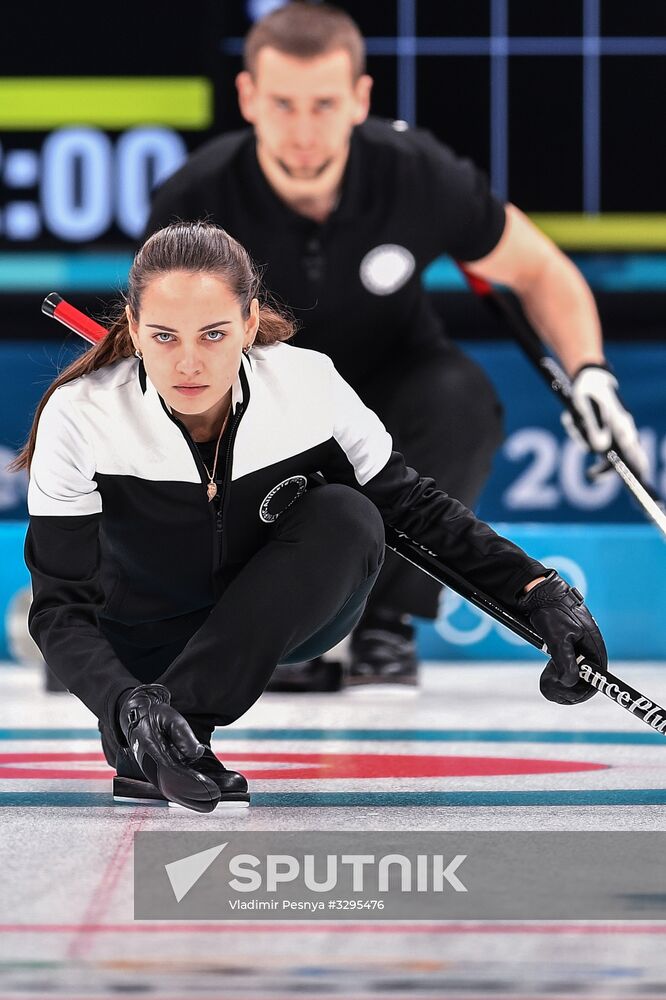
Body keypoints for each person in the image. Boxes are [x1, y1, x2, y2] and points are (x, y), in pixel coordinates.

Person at [10, 221, 607, 813]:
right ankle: (159, 729)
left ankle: (181, 722)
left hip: (284, 618)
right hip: (143, 635)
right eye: (165, 337)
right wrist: (125, 706)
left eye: (213, 334)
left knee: (350, 514)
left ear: (249, 326)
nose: (188, 363)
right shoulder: (80, 416)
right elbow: (61, 609)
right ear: (134, 331)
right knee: (137, 701)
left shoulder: (307, 385)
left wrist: (537, 590)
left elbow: (414, 508)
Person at [144, 1, 647, 693]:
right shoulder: (194, 198)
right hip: (262, 408)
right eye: (283, 103)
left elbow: (538, 270)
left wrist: (591, 376)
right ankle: (290, 620)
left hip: (393, 388)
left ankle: (386, 624)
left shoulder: (418, 173)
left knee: (462, 397)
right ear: (249, 97)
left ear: (359, 98)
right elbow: (162, 353)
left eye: (323, 103)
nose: (302, 129)